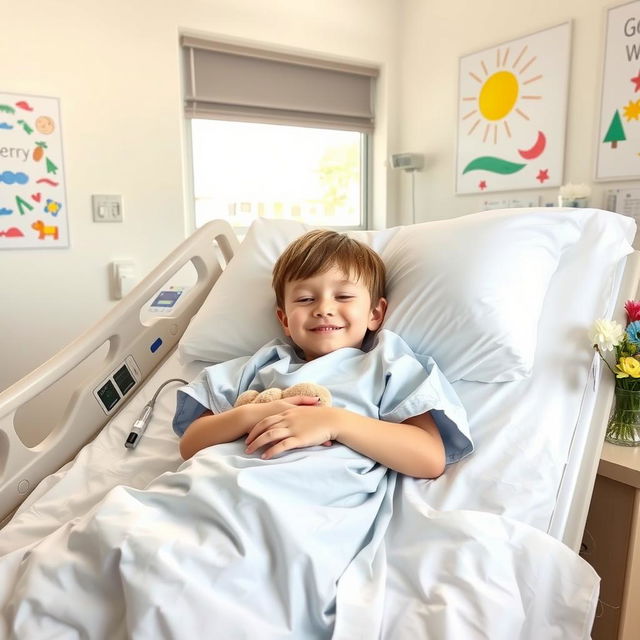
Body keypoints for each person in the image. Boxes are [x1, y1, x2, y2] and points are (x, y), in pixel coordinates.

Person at [175, 230, 471, 477]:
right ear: (285, 319)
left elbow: (429, 457)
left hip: (306, 507)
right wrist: (256, 413)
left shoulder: (386, 365)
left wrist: (335, 423)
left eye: (343, 296)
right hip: (216, 484)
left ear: (375, 313)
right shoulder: (261, 365)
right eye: (305, 299)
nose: (323, 308)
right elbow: (191, 444)